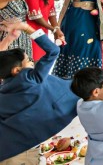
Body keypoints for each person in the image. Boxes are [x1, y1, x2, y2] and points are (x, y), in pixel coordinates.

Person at [0, 21, 78, 164]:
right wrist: (26, 27)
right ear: (17, 71)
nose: (31, 63)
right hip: (25, 151)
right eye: (28, 61)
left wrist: (8, 39)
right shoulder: (29, 78)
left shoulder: (4, 89)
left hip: (7, 147)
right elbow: (53, 51)